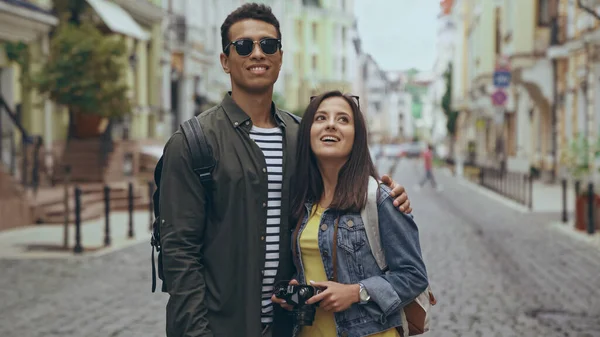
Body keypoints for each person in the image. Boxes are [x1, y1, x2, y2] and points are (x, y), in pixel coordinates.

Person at [158, 4, 413, 337]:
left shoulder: (301, 138)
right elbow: (179, 254)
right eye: (244, 46)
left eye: (268, 45)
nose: (257, 54)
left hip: (290, 327)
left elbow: (342, 187)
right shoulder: (194, 141)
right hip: (221, 326)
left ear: (279, 57)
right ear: (225, 61)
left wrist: (388, 196)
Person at [272, 91, 428, 337]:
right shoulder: (303, 201)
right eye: (321, 118)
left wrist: (356, 291)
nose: (331, 124)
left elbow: (414, 276)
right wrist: (298, 290)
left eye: (343, 119)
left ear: (356, 137)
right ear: (308, 133)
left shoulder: (378, 198)